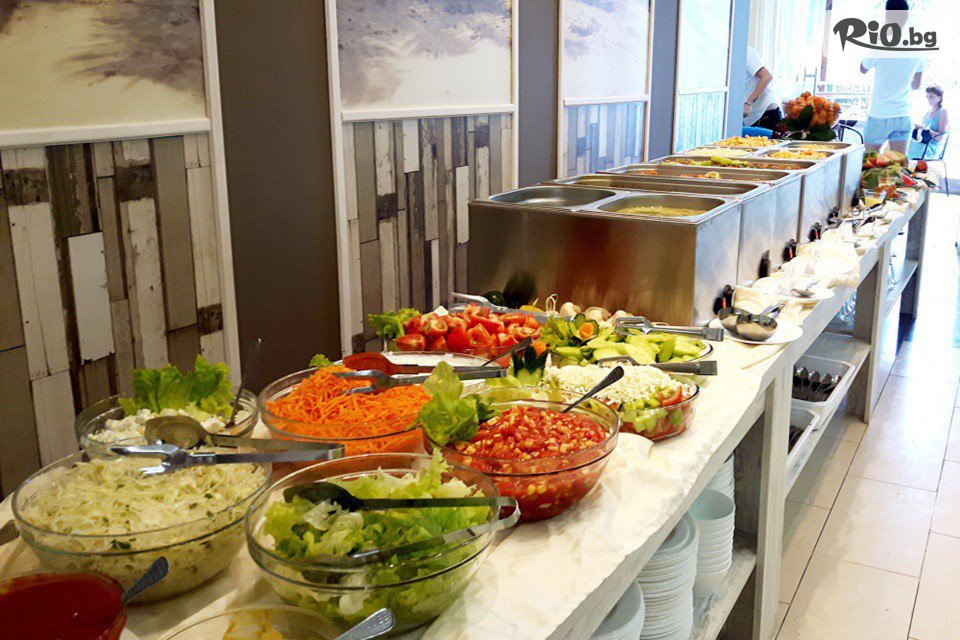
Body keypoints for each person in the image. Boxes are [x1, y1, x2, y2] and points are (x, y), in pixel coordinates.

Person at [860, 0, 925, 152]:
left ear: (887, 15)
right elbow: (916, 85)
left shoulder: (880, 43)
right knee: (897, 163)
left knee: (869, 162)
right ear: (907, 15)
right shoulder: (918, 46)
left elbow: (863, 68)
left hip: (879, 114)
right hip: (903, 115)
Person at [743, 46, 782, 130]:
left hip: (766, 115)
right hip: (751, 118)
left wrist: (748, 103)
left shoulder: (746, 52)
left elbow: (767, 77)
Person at [909, 85, 949, 158]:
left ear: (939, 98)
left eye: (931, 97)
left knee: (904, 145)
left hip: (931, 148)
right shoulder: (928, 112)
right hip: (923, 143)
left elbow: (940, 137)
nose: (928, 99)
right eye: (927, 96)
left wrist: (922, 128)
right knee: (901, 140)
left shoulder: (943, 112)